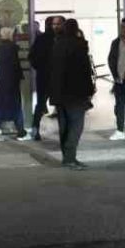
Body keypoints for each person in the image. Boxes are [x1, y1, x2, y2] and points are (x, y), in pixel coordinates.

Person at [49, 18, 95, 170]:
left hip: (60, 93)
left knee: (64, 126)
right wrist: (89, 91)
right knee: (76, 125)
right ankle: (70, 158)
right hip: (76, 93)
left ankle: (67, 157)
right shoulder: (79, 45)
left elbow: (53, 70)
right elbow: (85, 71)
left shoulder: (57, 44)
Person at [0, 27, 26, 142]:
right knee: (16, 108)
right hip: (11, 83)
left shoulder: (1, 48)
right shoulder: (12, 48)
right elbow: (15, 66)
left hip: (0, 82)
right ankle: (20, 132)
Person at [29, 15, 64, 139]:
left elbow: (32, 57)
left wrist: (40, 68)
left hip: (44, 76)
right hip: (57, 77)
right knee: (60, 105)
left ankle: (35, 129)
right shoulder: (61, 39)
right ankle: (64, 132)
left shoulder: (41, 39)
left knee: (41, 104)